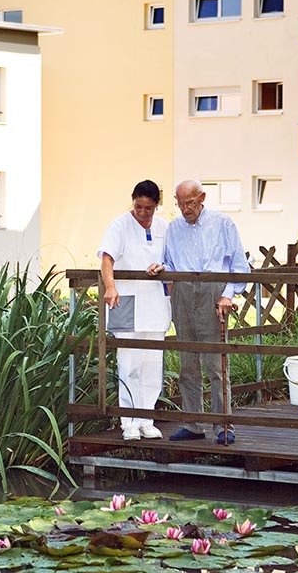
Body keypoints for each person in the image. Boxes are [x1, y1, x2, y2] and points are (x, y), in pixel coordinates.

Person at [146, 179, 249, 444]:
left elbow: (239, 265)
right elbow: (170, 260)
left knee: (215, 364)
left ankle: (223, 425)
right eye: (180, 204)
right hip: (183, 291)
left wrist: (227, 294)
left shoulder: (222, 224)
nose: (185, 209)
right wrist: (162, 268)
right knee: (187, 364)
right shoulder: (174, 228)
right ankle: (193, 424)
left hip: (212, 291)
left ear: (201, 198)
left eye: (189, 203)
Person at [98, 180, 171, 441]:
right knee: (129, 364)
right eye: (138, 207)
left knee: (152, 364)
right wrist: (110, 286)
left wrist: (162, 267)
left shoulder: (164, 227)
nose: (142, 213)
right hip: (125, 302)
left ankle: (146, 418)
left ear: (156, 205)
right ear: (133, 201)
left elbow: (171, 259)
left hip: (155, 303)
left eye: (148, 209)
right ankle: (128, 422)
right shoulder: (119, 224)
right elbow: (107, 258)